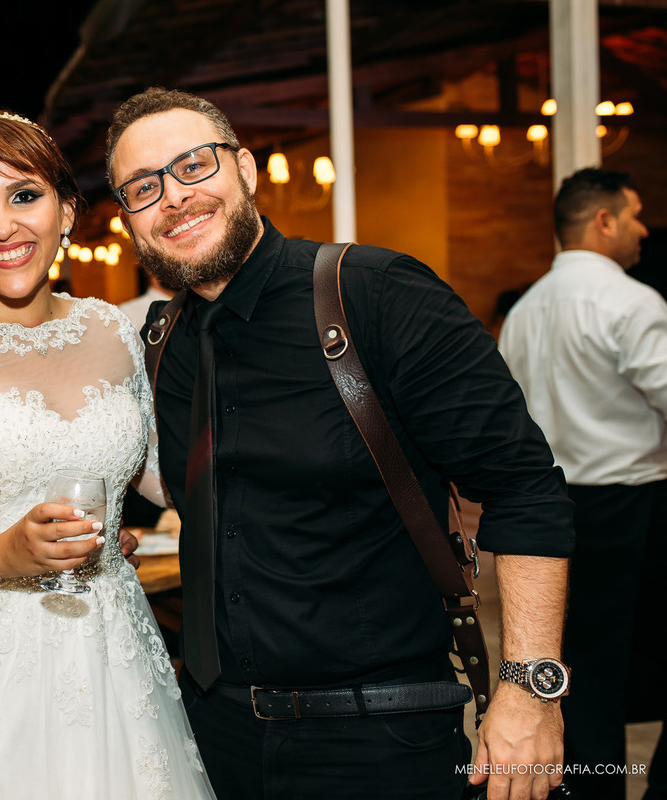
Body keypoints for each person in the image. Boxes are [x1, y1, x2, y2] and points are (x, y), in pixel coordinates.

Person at [105, 87, 575, 800]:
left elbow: (523, 486)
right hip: (213, 737)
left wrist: (531, 689)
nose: (173, 196)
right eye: (144, 187)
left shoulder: (377, 295)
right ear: (129, 219)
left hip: (380, 739)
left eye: (194, 166)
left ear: (247, 170)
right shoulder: (162, 344)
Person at [0, 109, 216, 799]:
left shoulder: (112, 329)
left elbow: (163, 475)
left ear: (67, 210)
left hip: (114, 648)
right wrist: (7, 553)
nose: (3, 227)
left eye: (25, 196)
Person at [499, 168, 667, 800]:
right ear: (603, 220)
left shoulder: (523, 310)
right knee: (626, 660)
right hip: (632, 505)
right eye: (635, 215)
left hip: (550, 508)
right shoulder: (630, 300)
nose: (644, 229)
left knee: (582, 667)